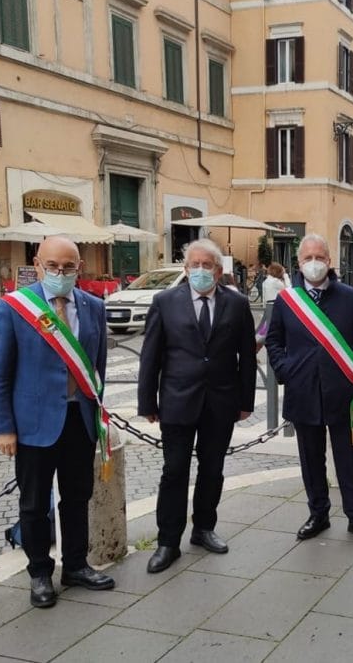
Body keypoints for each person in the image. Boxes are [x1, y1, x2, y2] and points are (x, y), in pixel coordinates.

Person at [0, 236, 115, 608]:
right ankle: (40, 573)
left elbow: (97, 367)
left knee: (77, 497)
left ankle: (75, 565)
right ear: (37, 265)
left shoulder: (93, 306)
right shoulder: (14, 308)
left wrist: (98, 414)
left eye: (68, 267)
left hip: (79, 420)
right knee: (35, 502)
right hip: (33, 424)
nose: (60, 273)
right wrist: (3, 427)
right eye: (53, 266)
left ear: (80, 268)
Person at [138, 239, 257, 573]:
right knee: (174, 471)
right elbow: (150, 356)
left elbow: (246, 358)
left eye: (208, 265)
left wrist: (245, 401)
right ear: (186, 268)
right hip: (177, 401)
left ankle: (204, 528)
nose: (201, 271)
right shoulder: (164, 302)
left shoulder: (237, 304)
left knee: (212, 469)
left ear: (219, 271)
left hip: (220, 402)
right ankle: (167, 542)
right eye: (195, 265)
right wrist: (147, 401)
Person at [265, 234, 353, 544]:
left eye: (319, 257)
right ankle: (318, 514)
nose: (314, 263)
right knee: (311, 459)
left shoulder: (350, 297)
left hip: (342, 392)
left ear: (330, 261)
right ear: (299, 264)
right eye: (307, 258)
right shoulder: (288, 301)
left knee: (348, 458)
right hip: (302, 392)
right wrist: (285, 369)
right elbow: (273, 340)